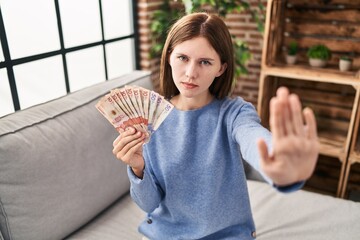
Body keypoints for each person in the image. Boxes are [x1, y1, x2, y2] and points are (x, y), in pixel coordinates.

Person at [112, 12, 319, 240]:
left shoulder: (234, 113)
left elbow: (253, 137)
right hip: (164, 235)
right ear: (169, 56)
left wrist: (280, 162)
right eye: (183, 58)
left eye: (205, 62)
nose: (191, 73)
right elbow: (148, 203)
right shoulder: (150, 119)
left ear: (221, 68)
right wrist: (137, 168)